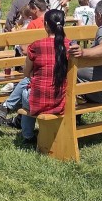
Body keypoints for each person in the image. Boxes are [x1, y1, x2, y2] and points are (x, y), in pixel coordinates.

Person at [16, 9, 71, 143]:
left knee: (27, 91)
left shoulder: (36, 45)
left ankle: (28, 135)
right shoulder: (70, 45)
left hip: (39, 99)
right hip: (62, 97)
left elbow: (26, 73)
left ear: (45, 24)